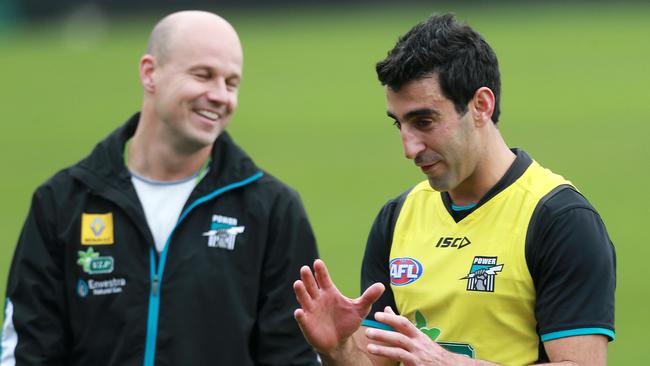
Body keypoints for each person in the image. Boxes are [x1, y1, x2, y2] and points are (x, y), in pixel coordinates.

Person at [293, 13, 615, 366]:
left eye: (424, 121)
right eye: (398, 124)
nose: (409, 148)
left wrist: (450, 363)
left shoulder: (560, 220)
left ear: (481, 105)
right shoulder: (397, 218)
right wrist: (338, 347)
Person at [1, 10, 319, 365]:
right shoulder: (61, 203)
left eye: (231, 83)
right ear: (150, 73)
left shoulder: (273, 210)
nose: (219, 95)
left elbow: (291, 355)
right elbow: (27, 351)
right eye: (203, 75)